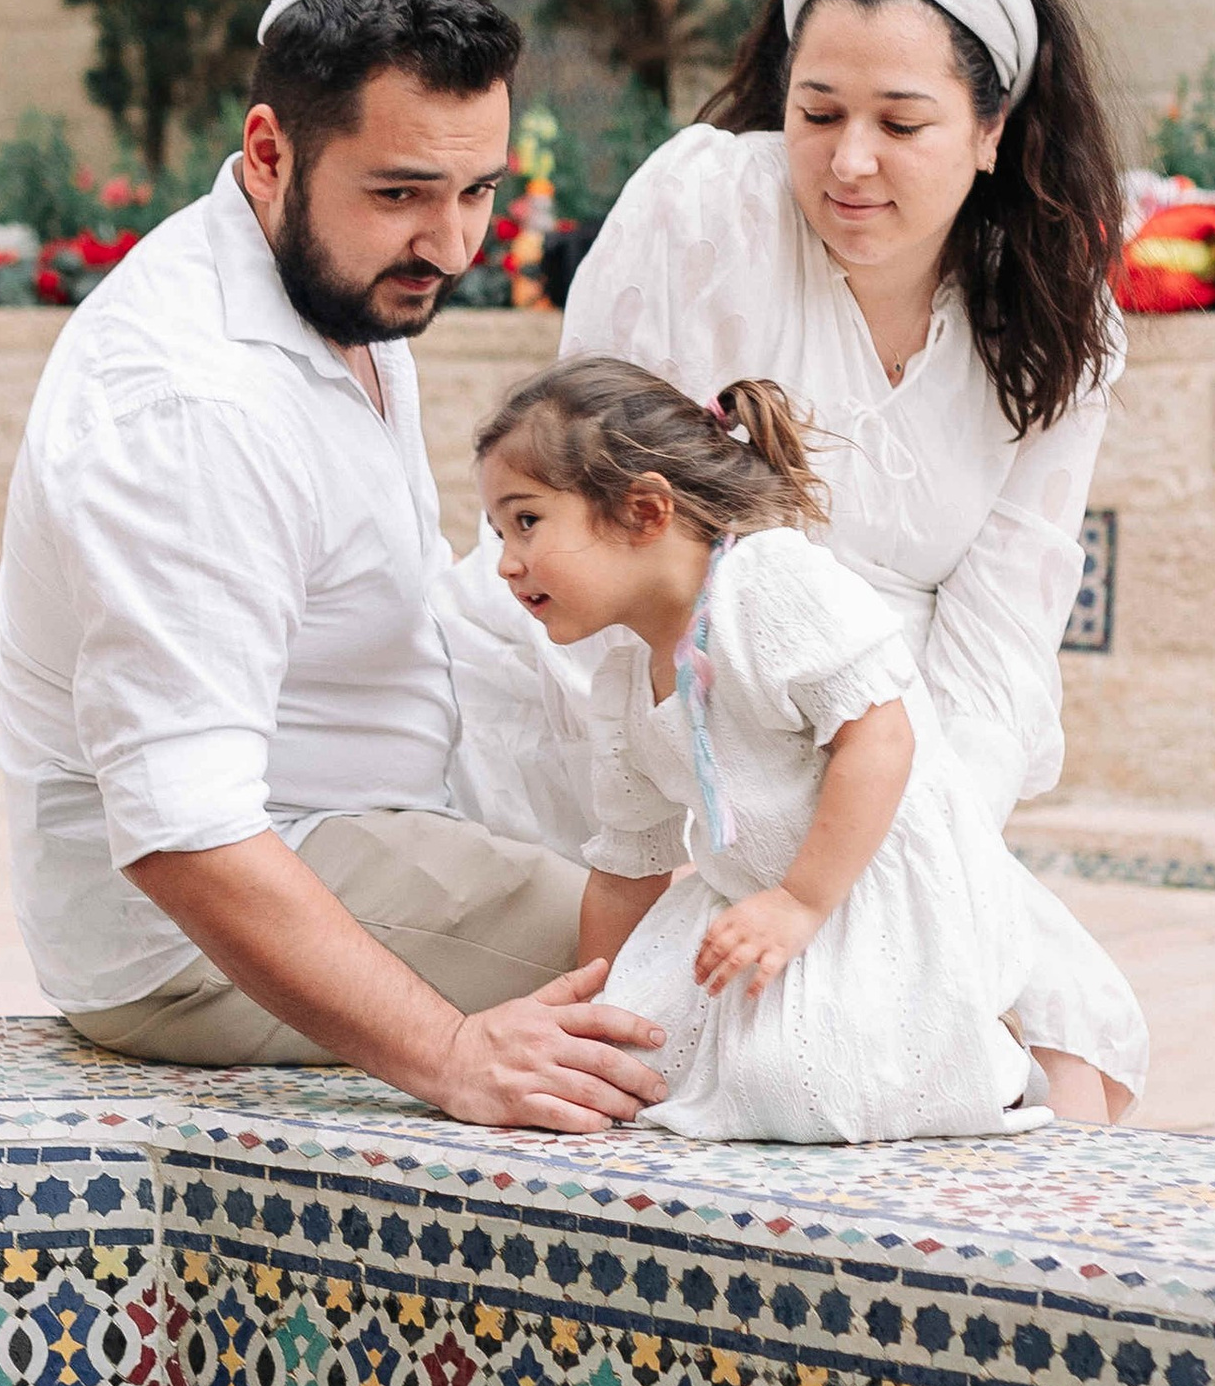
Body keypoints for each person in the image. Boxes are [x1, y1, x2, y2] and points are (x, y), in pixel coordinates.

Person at [0, 0, 667, 1133]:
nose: (451, 244)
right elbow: (181, 830)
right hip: (194, 935)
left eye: (477, 192)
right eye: (403, 191)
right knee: (692, 970)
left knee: (781, 883)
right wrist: (455, 1056)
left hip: (368, 824)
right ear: (268, 150)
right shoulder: (193, 409)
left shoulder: (335, 283)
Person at [441, 0, 1125, 858]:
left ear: (990, 130)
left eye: (901, 123)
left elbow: (1002, 632)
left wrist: (916, 856)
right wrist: (717, 827)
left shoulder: (1055, 317)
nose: (850, 161)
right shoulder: (704, 212)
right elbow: (587, 529)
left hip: (871, 764)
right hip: (605, 734)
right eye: (818, 112)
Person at [475, 357, 1146, 1140]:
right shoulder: (627, 677)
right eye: (498, 531)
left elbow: (880, 733)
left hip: (860, 881)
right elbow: (630, 868)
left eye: (526, 521)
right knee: (645, 1054)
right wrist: (593, 1015)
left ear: (645, 511)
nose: (505, 561)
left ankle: (986, 1051)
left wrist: (800, 902)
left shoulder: (766, 584)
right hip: (757, 899)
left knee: (796, 1083)